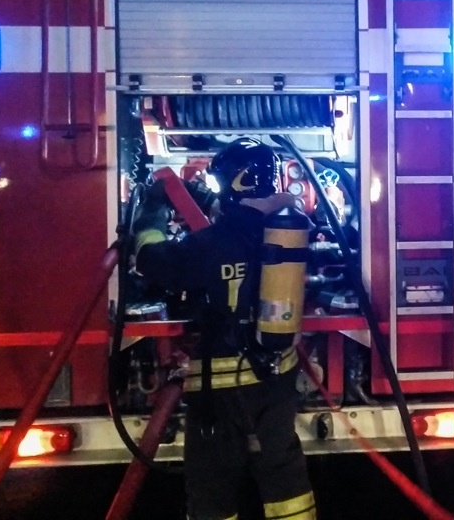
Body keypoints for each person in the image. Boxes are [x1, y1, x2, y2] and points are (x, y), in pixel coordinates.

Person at [132, 138, 316, 520]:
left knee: (212, 483)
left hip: (220, 388)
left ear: (235, 183)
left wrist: (149, 218)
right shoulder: (292, 230)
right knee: (283, 473)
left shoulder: (213, 242)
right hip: (276, 375)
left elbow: (156, 263)